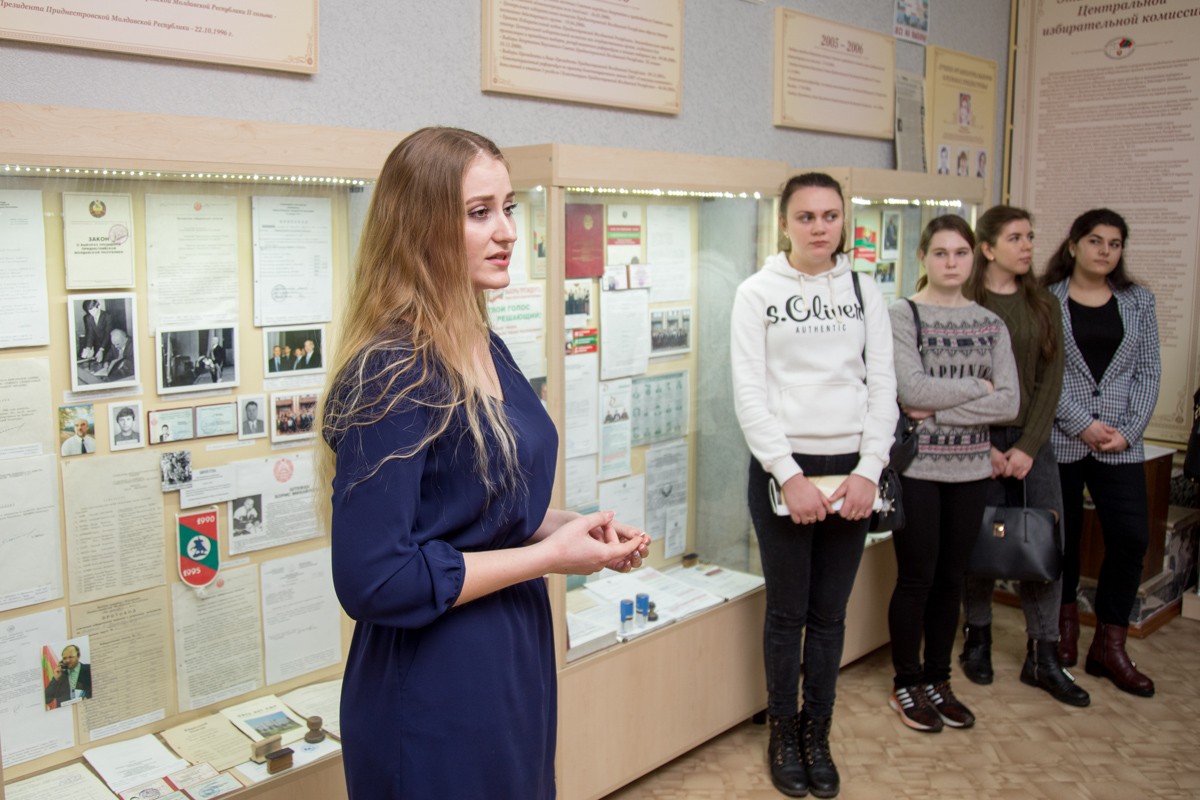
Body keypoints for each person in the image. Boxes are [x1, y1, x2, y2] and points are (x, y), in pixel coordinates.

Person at [319, 127, 649, 800]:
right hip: (435, 678)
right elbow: (374, 578)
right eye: (479, 213)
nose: (506, 231)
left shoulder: (481, 340)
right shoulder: (390, 371)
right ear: (420, 228)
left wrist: (570, 527)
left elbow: (478, 504)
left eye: (509, 207)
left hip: (511, 650)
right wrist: (549, 556)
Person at [730, 172, 897, 798]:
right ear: (784, 223)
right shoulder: (756, 292)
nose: (820, 228)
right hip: (785, 473)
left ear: (843, 219)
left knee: (829, 615)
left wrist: (869, 470)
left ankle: (816, 731)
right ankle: (783, 731)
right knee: (787, 613)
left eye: (830, 216)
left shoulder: (863, 289)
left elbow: (883, 385)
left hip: (853, 473)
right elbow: (749, 392)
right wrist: (789, 474)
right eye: (806, 217)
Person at [887, 215, 1019, 734]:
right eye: (940, 253)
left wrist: (941, 409)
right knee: (916, 578)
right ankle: (907, 682)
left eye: (960, 253)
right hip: (918, 469)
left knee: (951, 579)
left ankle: (939, 679)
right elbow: (911, 392)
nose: (951, 262)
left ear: (974, 257)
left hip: (971, 470)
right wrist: (977, 391)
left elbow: (1008, 402)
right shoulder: (903, 315)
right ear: (923, 257)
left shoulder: (991, 324)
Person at [961, 206, 1091, 707]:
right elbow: (954, 381)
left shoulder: (1044, 303)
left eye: (1030, 236)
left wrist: (1028, 446)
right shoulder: (966, 301)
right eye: (1015, 237)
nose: (1028, 246)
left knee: (1044, 544)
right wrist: (986, 447)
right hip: (977, 440)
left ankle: (1044, 656)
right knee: (980, 540)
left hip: (1034, 443)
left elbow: (1051, 380)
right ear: (987, 248)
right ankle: (978, 639)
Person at [1043, 208, 1161, 698]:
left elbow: (1148, 372)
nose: (1105, 251)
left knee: (1131, 538)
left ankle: (1109, 647)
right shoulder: (1046, 299)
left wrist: (1128, 432)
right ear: (1073, 245)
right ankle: (1063, 630)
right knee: (1062, 540)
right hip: (1062, 437)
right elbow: (1041, 372)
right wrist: (1081, 424)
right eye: (1095, 241)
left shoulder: (1139, 301)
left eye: (1114, 244)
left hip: (1119, 443)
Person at [80, 299, 112, 365]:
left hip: (108, 346)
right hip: (97, 345)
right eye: (89, 311)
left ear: (99, 307)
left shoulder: (107, 316)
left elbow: (107, 334)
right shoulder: (88, 318)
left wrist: (101, 349)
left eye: (93, 310)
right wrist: (88, 347)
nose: (92, 314)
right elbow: (90, 333)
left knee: (107, 364)